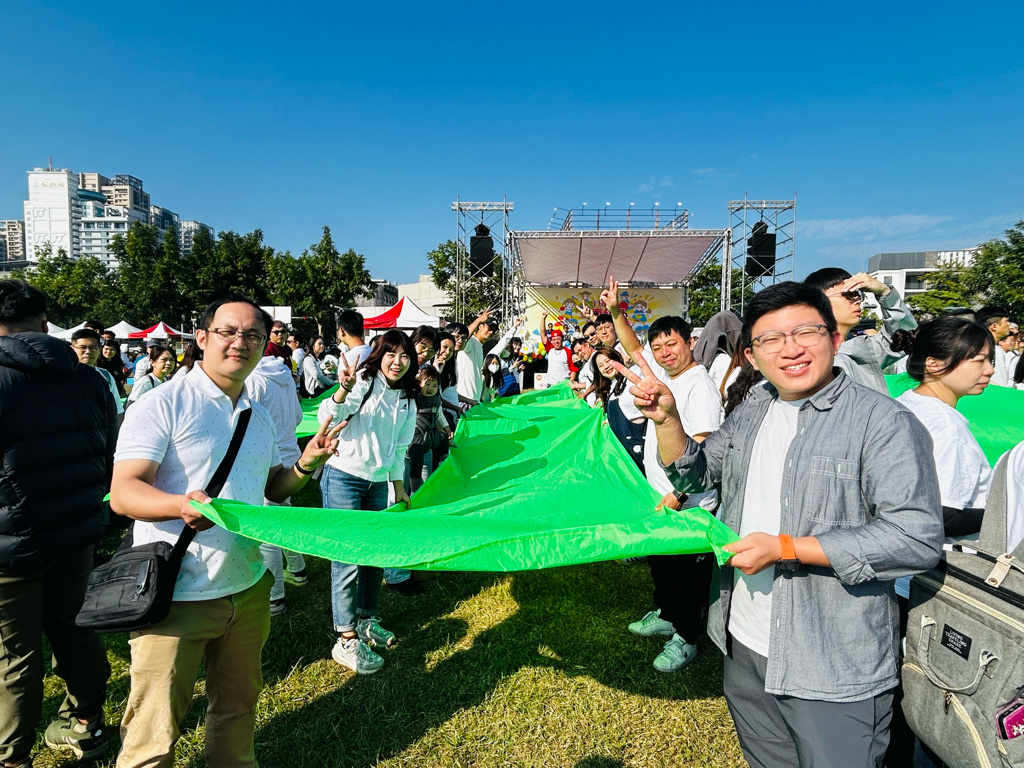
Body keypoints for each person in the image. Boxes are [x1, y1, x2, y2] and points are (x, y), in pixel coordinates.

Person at [621, 281, 943, 767]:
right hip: (743, 637)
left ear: (835, 339)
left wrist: (787, 548)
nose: (790, 350)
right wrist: (667, 420)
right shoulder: (754, 407)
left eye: (806, 332)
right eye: (771, 339)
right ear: (751, 355)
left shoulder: (883, 422)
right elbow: (699, 473)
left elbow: (914, 538)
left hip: (828, 655)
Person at [110, 296, 342, 768]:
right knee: (153, 733)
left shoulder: (258, 413)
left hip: (247, 586)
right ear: (201, 338)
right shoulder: (162, 404)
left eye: (253, 335)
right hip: (176, 592)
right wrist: (179, 505)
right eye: (228, 332)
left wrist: (306, 462)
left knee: (237, 710)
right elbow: (124, 492)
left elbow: (273, 488)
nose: (240, 342)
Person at [0, 281, 116, 766]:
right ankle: (87, 721)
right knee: (75, 630)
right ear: (46, 323)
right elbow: (108, 452)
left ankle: (12, 756)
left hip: (11, 546)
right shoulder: (91, 380)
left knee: (15, 656)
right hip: (76, 531)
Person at [601, 278, 724, 673]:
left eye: (672, 344)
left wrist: (678, 494)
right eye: (658, 348)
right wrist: (616, 312)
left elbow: (704, 448)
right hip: (659, 495)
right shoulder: (666, 375)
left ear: (690, 343)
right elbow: (633, 348)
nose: (664, 353)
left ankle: (686, 636)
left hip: (689, 503)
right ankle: (668, 616)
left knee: (687, 574)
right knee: (663, 565)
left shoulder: (699, 386)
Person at [317, 329, 418, 674]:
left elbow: (401, 447)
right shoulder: (363, 381)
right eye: (391, 354)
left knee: (374, 555)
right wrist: (343, 388)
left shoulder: (407, 398)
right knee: (346, 557)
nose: (397, 362)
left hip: (377, 484)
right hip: (343, 477)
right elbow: (328, 415)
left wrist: (398, 486)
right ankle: (345, 638)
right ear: (379, 355)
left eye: (404, 356)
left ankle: (366, 621)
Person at [897, 317, 994, 537]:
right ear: (934, 364)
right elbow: (942, 516)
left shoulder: (902, 404)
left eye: (991, 360)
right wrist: (1005, 515)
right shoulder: (947, 426)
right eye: (979, 361)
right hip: (944, 552)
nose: (990, 370)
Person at [248, 342, 310, 617]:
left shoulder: (254, 380)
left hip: (266, 458)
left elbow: (248, 421)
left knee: (268, 532)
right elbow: (298, 416)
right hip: (290, 456)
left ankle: (275, 598)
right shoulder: (286, 378)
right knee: (283, 518)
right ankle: (298, 570)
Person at [804, 268, 917, 393]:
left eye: (858, 294)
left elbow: (905, 336)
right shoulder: (811, 357)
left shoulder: (858, 350)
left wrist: (884, 292)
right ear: (818, 303)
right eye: (849, 295)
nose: (857, 300)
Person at [590, 347, 646, 472]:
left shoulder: (631, 379)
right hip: (623, 451)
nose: (606, 367)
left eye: (608, 361)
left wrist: (631, 366)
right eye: (600, 365)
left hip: (639, 447)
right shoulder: (611, 389)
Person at [71, 328, 125, 424]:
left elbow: (117, 411)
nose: (88, 351)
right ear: (72, 349)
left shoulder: (105, 375)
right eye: (82, 347)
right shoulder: (64, 375)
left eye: (93, 347)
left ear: (99, 349)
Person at [455, 310, 494, 406]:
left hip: (474, 400)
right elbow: (464, 337)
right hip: (464, 400)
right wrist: (479, 320)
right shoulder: (471, 341)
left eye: (494, 330)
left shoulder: (479, 346)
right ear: (480, 326)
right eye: (489, 328)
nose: (491, 332)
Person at [976, 306, 1011, 386]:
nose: (1009, 324)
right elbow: (1000, 383)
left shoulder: (978, 346)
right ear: (994, 326)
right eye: (1006, 321)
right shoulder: (991, 349)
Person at [539, 314, 576, 387]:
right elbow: (543, 334)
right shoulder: (550, 348)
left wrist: (569, 383)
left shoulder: (568, 352)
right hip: (550, 384)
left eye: (558, 339)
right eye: (554, 340)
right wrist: (543, 319)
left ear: (562, 339)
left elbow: (573, 369)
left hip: (563, 385)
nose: (556, 342)